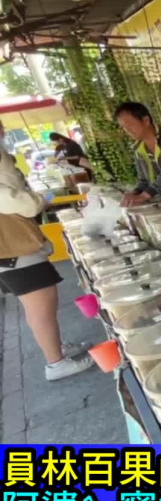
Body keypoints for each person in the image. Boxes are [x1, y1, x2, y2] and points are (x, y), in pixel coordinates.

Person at [0, 120, 94, 381]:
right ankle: (55, 363)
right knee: (40, 307)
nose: (3, 132)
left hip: (15, 250)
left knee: (40, 306)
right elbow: (23, 204)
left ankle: (56, 349)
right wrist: (40, 199)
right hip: (15, 250)